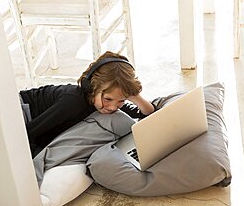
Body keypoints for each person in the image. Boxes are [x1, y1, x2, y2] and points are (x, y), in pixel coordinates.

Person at [19, 51, 155, 157]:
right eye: (108, 99)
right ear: (91, 87)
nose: (113, 107)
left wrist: (134, 96)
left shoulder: (106, 102)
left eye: (121, 101)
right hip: (21, 112)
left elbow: (146, 112)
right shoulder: (72, 101)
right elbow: (29, 134)